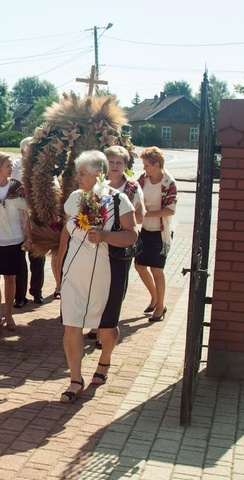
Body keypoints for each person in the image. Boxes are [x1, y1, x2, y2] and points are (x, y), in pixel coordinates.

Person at [58, 151, 137, 403]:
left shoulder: (119, 200)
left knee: (106, 327)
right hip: (74, 271)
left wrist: (104, 236)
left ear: (98, 175)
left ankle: (104, 361)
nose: (77, 177)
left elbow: (132, 235)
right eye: (77, 173)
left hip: (107, 273)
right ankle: (75, 379)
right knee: (72, 324)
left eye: (82, 173)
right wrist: (59, 268)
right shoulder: (74, 199)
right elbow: (66, 232)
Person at [86, 146, 146, 344]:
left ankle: (107, 328)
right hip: (96, 243)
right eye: (110, 162)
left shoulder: (132, 188)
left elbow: (139, 214)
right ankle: (96, 324)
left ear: (125, 165)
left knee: (115, 287)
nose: (114, 166)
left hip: (119, 244)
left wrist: (125, 230)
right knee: (96, 284)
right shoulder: (97, 185)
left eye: (119, 162)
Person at [0, 152, 31, 334]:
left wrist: (28, 237)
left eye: (11, 165)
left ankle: (9, 315)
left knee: (10, 279)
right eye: (8, 165)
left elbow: (25, 215)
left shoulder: (17, 187)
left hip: (14, 239)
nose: (12, 168)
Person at [135, 146, 177, 322]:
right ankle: (155, 297)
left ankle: (160, 307)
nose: (144, 169)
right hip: (144, 230)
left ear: (157, 165)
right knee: (139, 266)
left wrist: (145, 214)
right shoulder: (143, 179)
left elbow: (170, 210)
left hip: (161, 232)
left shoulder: (168, 183)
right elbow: (134, 195)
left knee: (157, 269)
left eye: (146, 165)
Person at [12, 137, 46, 307]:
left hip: (37, 215)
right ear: (23, 151)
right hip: (18, 215)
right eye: (31, 149)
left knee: (37, 256)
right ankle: (20, 295)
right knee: (19, 257)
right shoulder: (14, 167)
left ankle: (37, 291)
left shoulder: (43, 167)